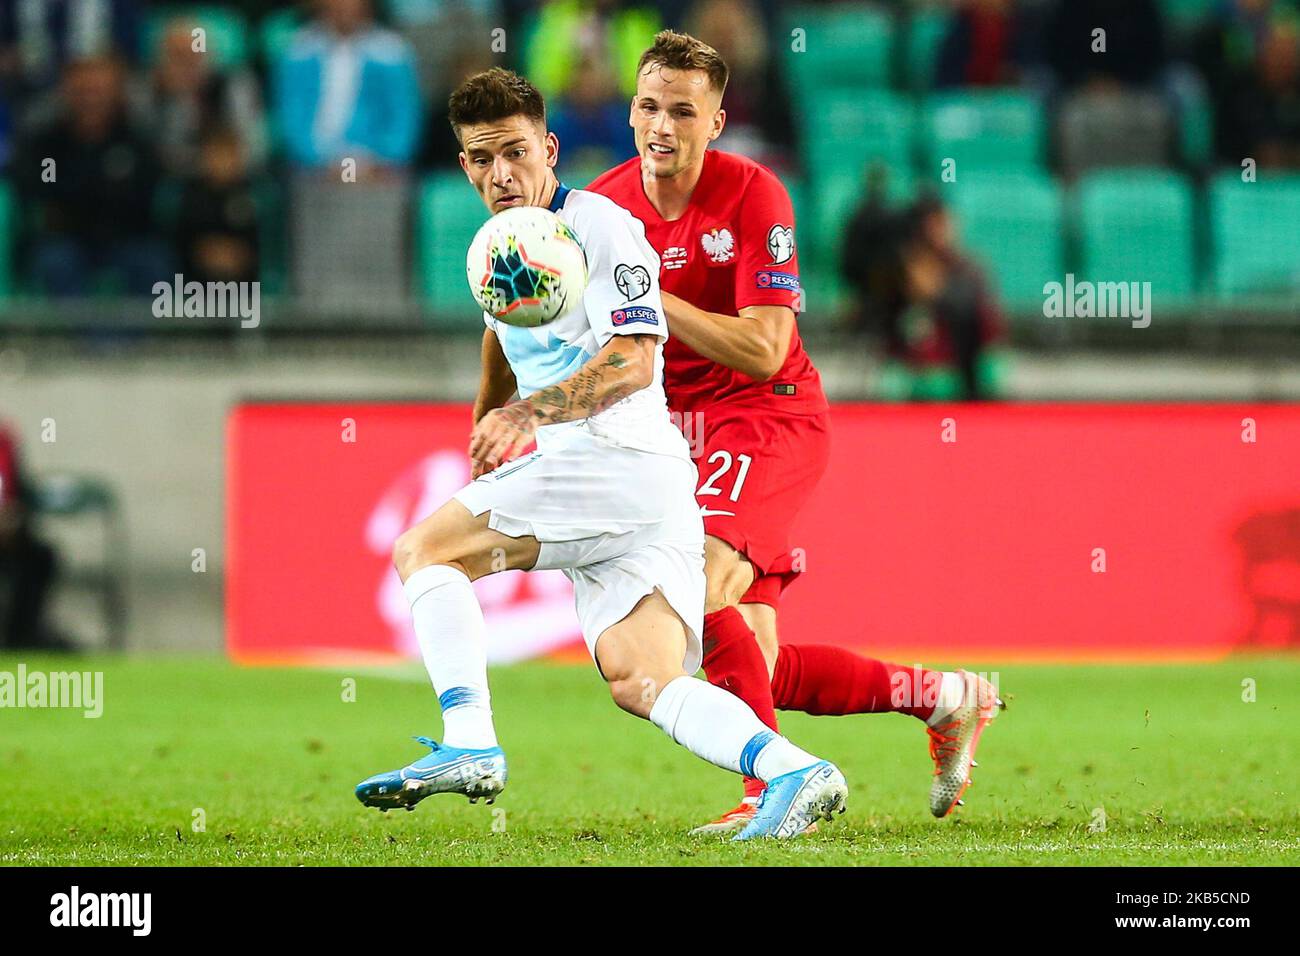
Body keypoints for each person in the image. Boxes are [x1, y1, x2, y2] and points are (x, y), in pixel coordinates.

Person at [353, 67, 847, 841]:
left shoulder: (603, 227)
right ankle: (793, 770)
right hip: (634, 494)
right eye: (482, 159)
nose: (501, 173)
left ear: (549, 149)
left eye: (515, 152)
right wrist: (490, 423)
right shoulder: (496, 247)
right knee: (640, 677)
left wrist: (530, 413)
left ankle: (469, 744)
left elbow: (634, 360)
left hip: (610, 458)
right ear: (464, 167)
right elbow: (502, 340)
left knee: (425, 551)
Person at [590, 32, 1002, 834]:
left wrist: (646, 300)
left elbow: (767, 344)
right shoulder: (601, 210)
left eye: (684, 110)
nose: (662, 127)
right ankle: (947, 697)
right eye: (648, 106)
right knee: (757, 665)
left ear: (716, 121)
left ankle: (774, 789)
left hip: (766, 415)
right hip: (674, 441)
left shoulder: (753, 196)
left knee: (693, 590)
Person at [0, 423, 64, 651]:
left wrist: (14, 519)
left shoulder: (4, 440)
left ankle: (21, 638)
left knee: (40, 558)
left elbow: (16, 493)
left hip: (8, 537)